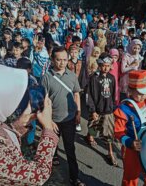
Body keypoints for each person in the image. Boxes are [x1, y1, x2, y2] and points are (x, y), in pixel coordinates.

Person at [41, 47, 85, 186]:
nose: (62, 63)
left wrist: (78, 112)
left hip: (69, 119)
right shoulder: (46, 77)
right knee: (49, 149)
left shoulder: (72, 76)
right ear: (53, 60)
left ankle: (74, 178)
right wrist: (48, 121)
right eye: (58, 60)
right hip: (52, 121)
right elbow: (45, 100)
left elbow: (76, 94)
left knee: (70, 149)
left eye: (64, 60)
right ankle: (45, 177)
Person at [114, 70, 146, 186]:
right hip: (132, 148)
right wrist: (129, 142)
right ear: (130, 91)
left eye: (145, 92)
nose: (143, 96)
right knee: (131, 177)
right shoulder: (123, 109)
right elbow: (118, 132)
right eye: (139, 93)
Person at [86, 53, 117, 166]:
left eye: (108, 65)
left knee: (108, 132)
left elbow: (113, 94)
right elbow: (89, 94)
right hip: (97, 108)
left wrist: (113, 106)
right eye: (103, 65)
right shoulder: (94, 78)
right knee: (93, 125)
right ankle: (90, 136)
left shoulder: (112, 78)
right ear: (99, 65)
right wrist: (93, 110)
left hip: (108, 109)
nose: (106, 68)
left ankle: (110, 152)